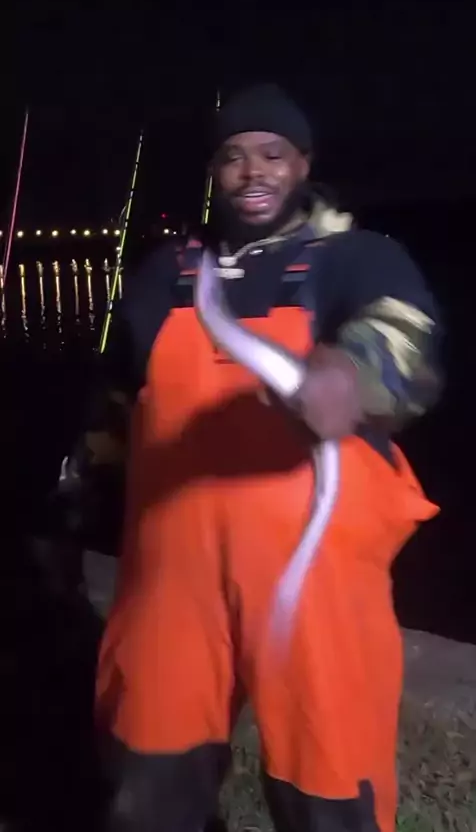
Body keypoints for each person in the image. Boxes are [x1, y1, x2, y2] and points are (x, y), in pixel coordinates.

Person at [90, 84, 442, 832]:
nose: (253, 171)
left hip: (315, 585)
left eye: (273, 154)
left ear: (303, 164)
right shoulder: (165, 274)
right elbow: (121, 401)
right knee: (148, 774)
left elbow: (406, 340)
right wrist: (82, 475)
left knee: (329, 779)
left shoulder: (355, 259)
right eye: (234, 157)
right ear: (214, 172)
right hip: (171, 578)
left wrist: (354, 373)